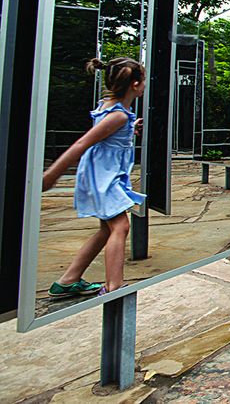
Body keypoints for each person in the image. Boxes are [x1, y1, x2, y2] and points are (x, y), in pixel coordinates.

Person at [42, 57, 147, 297]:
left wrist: (131, 128)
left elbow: (110, 134)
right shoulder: (118, 116)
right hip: (103, 177)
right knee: (120, 226)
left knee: (107, 230)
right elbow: (83, 143)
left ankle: (68, 280)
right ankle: (114, 288)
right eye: (143, 81)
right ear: (134, 84)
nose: (145, 86)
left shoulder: (112, 108)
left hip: (104, 173)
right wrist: (53, 174)